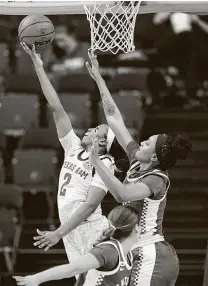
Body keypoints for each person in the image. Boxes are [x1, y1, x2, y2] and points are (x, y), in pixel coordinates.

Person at [86, 53, 192, 286]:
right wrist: (100, 80)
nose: (140, 142)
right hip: (131, 250)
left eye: (147, 143)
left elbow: (122, 195)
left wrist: (97, 164)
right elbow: (114, 119)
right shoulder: (137, 160)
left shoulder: (156, 179)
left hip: (151, 253)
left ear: (154, 156)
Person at [20, 42, 126, 267]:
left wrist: (57, 233)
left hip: (91, 228)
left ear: (104, 143)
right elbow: (56, 108)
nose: (90, 129)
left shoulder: (106, 162)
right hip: (70, 229)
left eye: (97, 130)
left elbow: (88, 206)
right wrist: (39, 67)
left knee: (102, 281)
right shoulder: (73, 147)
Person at [14, 205, 141, 286]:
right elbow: (72, 269)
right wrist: (37, 279)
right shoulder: (108, 251)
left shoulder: (128, 254)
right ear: (136, 228)